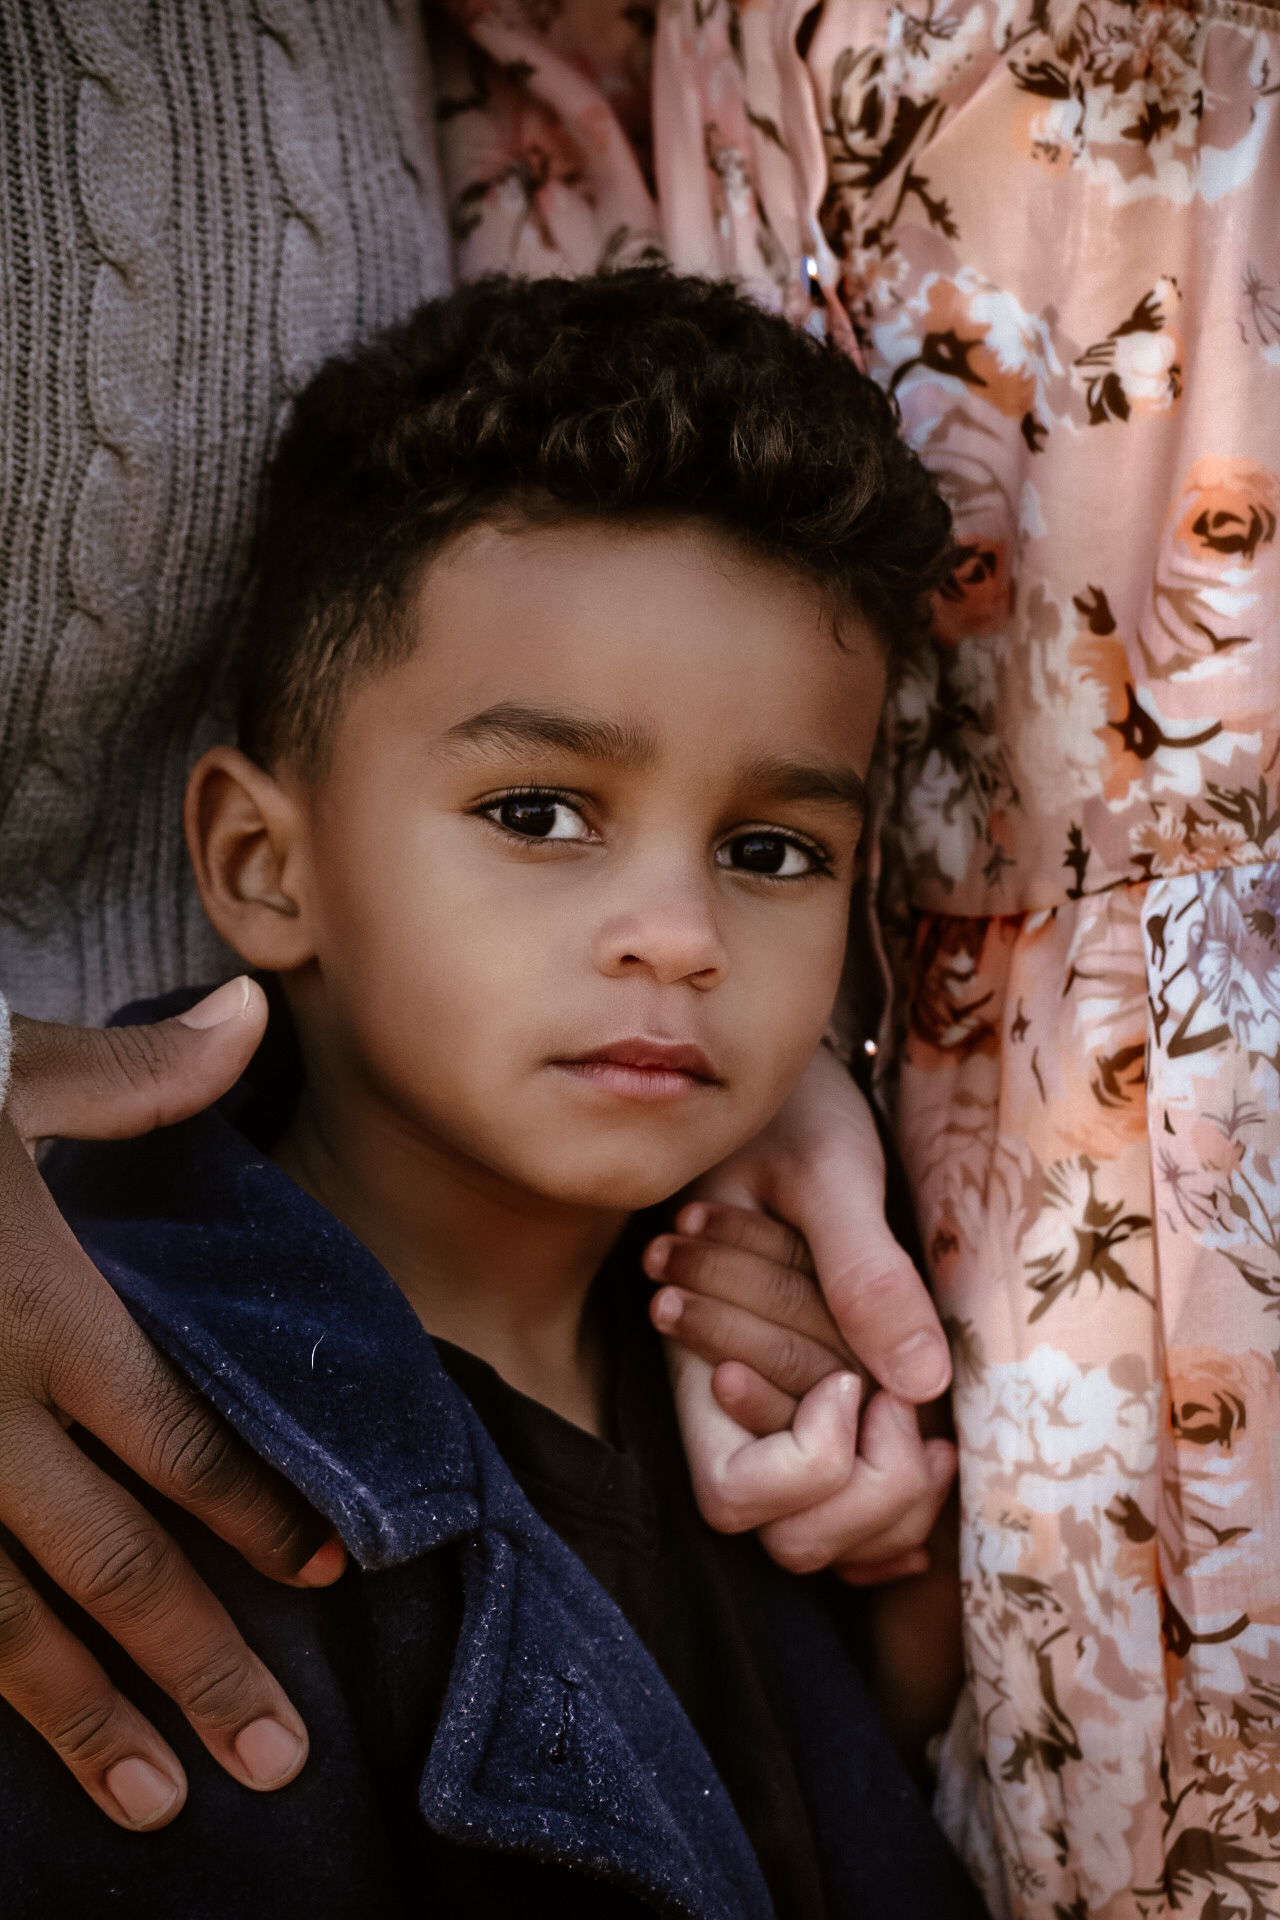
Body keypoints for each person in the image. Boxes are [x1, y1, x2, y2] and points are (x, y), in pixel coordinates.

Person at [0, 0, 957, 1835]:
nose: (678, 934)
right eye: (540, 814)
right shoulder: (133, 1437)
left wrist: (898, 1603)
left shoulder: (761, 1389)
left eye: (773, 852)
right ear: (263, 864)